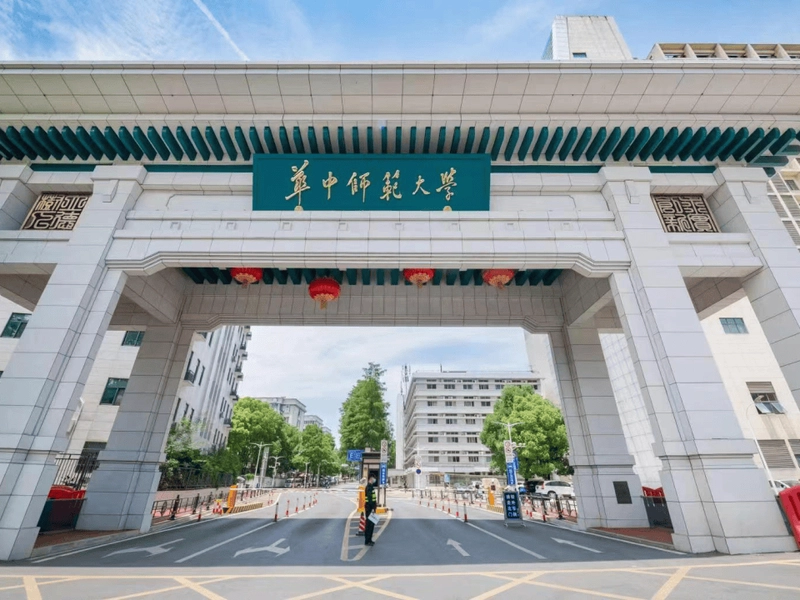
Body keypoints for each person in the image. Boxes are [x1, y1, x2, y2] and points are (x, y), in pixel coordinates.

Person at [364, 474, 377, 546]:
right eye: (373, 479)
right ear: (370, 479)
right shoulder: (369, 487)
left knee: (371, 525)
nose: (374, 480)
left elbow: (373, 499)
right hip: (369, 509)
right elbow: (369, 500)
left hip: (371, 509)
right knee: (369, 525)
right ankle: (367, 540)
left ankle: (369, 540)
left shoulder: (371, 487)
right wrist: (372, 509)